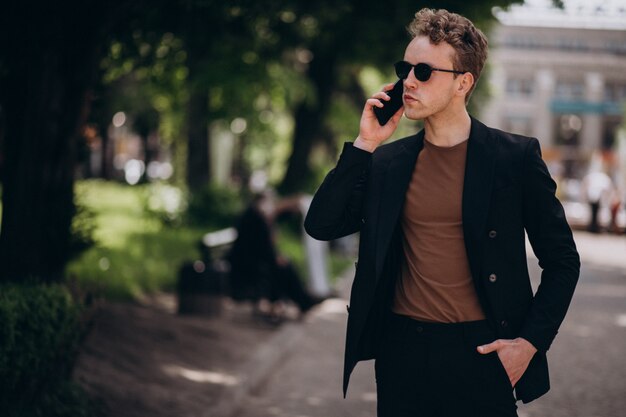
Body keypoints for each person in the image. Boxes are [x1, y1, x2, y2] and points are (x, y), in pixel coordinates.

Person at [304, 8, 580, 417]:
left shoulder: (514, 159)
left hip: (483, 353)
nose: (408, 81)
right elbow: (321, 224)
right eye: (405, 69)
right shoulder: (388, 163)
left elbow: (562, 261)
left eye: (424, 71)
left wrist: (529, 344)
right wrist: (365, 144)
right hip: (402, 353)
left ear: (463, 83)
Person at [227, 190, 319, 319]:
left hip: (254, 262)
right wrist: (275, 258)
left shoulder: (256, 216)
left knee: (286, 266)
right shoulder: (255, 218)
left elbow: (262, 246)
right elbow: (260, 247)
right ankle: (303, 301)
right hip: (250, 266)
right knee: (285, 269)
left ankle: (302, 301)